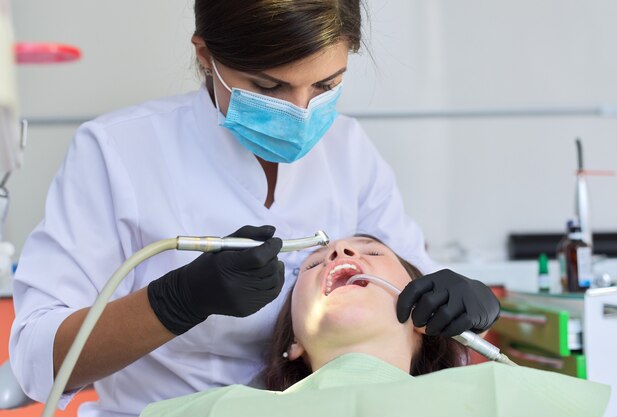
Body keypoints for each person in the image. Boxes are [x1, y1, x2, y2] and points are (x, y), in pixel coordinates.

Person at [9, 2, 500, 417]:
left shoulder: (349, 150)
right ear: (205, 56)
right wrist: (175, 301)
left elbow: (415, 289)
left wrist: (465, 305)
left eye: (326, 86)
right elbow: (35, 362)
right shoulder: (118, 152)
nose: (302, 111)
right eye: (270, 88)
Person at [139, 237, 609, 417]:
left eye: (372, 252)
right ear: (294, 344)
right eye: (314, 263)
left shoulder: (505, 395)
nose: (342, 255)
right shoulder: (207, 412)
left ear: (425, 319)